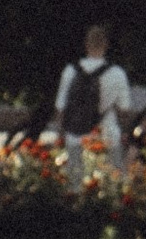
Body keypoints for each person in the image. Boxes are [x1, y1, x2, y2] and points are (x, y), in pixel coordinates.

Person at [49, 25, 131, 174]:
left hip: (75, 136)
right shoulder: (117, 73)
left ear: (86, 44)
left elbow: (60, 109)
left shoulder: (70, 71)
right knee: (109, 180)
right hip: (107, 136)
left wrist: (60, 136)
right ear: (106, 45)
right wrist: (125, 133)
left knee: (75, 180)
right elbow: (124, 111)